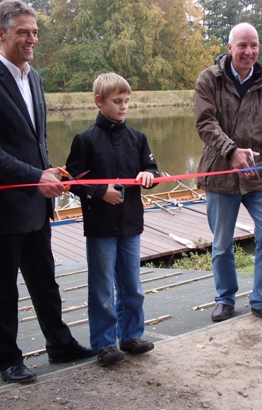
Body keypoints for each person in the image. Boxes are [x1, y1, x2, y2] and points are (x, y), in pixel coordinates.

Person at [0, 0, 95, 383]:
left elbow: (33, 140)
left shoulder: (33, 77)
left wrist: (49, 169)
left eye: (35, 31)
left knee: (45, 279)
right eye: (23, 32)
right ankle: (8, 360)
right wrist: (36, 176)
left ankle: (59, 344)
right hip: (3, 205)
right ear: (0, 34)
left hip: (37, 206)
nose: (31, 38)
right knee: (3, 288)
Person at [195, 22, 262, 328]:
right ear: (230, 48)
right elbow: (205, 122)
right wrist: (231, 151)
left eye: (254, 45)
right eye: (242, 45)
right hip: (221, 171)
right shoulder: (209, 79)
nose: (249, 51)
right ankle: (225, 299)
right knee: (222, 243)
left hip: (257, 174)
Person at [64, 72, 159, 366]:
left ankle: (130, 335)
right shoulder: (85, 140)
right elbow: (72, 182)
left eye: (127, 101)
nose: (124, 107)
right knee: (102, 286)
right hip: (100, 227)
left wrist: (149, 176)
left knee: (132, 284)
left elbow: (152, 170)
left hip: (131, 223)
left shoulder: (138, 138)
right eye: (117, 101)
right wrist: (99, 192)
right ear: (99, 101)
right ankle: (104, 344)